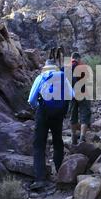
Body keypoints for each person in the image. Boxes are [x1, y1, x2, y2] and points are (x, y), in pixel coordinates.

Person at [28, 58, 74, 191]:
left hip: (43, 113)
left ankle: (40, 179)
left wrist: (37, 107)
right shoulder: (63, 78)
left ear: (46, 67)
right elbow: (71, 95)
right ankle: (60, 172)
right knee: (57, 141)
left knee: (39, 144)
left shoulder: (41, 77)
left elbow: (31, 99)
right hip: (58, 114)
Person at [69, 52, 92, 145]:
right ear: (78, 58)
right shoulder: (83, 66)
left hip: (71, 95)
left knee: (72, 115)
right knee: (85, 114)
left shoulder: (67, 67)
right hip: (83, 93)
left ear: (72, 58)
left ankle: (73, 137)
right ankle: (82, 138)